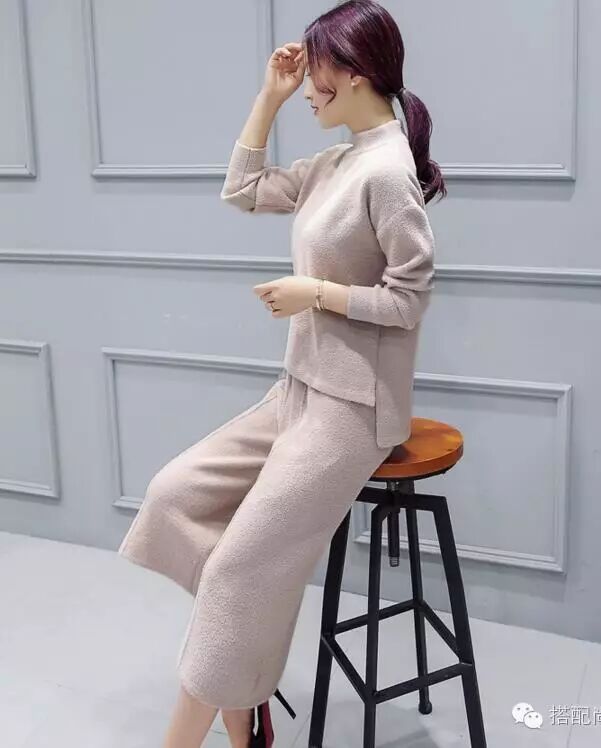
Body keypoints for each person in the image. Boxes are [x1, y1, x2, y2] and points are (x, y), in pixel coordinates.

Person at [118, 1, 445, 746]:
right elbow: (242, 190)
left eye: (316, 73)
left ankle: (203, 732)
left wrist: (316, 294)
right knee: (174, 496)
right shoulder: (335, 163)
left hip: (354, 409)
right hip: (298, 390)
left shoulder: (387, 172)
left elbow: (408, 301)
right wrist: (267, 99)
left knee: (238, 571)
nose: (307, 91)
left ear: (356, 73)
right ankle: (245, 694)